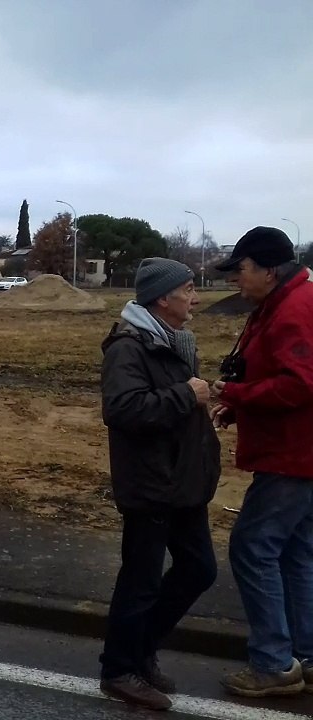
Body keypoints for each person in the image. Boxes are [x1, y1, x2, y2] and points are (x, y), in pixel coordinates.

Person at [97, 258, 220, 711]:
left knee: (199, 569)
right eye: (189, 289)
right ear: (162, 298)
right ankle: (119, 669)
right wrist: (187, 394)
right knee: (141, 580)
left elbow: (175, 404)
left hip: (181, 481)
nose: (196, 297)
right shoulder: (128, 347)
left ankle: (140, 647)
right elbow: (124, 409)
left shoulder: (171, 342)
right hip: (151, 483)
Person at [210, 227, 313, 698]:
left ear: (269, 270)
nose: (237, 279)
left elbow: (298, 385)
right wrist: (242, 405)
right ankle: (305, 657)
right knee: (296, 552)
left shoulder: (294, 309)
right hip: (298, 452)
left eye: (242, 269)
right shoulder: (285, 301)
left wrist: (232, 393)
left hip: (293, 454)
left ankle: (273, 662)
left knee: (253, 548)